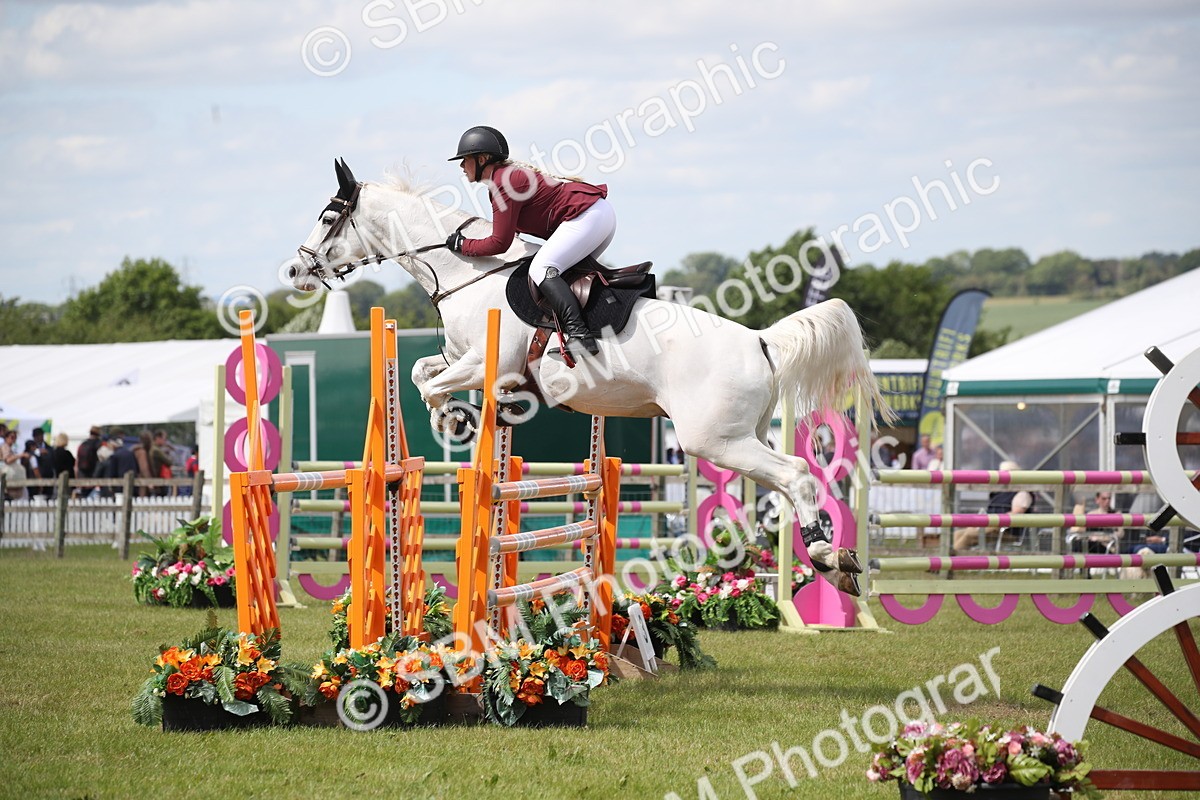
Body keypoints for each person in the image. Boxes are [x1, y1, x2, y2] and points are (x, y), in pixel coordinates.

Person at [445, 125, 614, 359]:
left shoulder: (504, 182)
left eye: (465, 159)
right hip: (596, 216)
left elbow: (499, 243)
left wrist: (463, 245)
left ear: (482, 159)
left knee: (541, 268)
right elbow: (509, 235)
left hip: (587, 217)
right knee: (566, 276)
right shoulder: (505, 179)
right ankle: (593, 329)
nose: (462, 166)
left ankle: (581, 336)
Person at [952, 461, 1034, 552]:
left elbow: (1016, 514)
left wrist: (992, 522)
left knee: (969, 535)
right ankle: (952, 557)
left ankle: (955, 560)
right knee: (957, 534)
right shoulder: (1000, 492)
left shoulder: (1022, 493)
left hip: (1007, 531)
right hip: (992, 525)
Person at [1, 429, 31, 500]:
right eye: (12, 437)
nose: (14, 439)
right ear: (6, 438)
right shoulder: (5, 447)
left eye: (15, 437)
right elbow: (8, 460)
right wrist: (21, 455)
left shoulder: (10, 448)